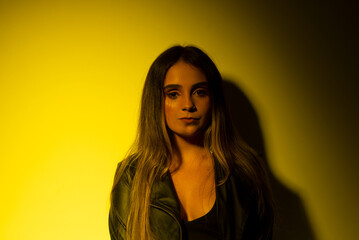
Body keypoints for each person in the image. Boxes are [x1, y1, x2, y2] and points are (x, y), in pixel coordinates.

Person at [109, 45, 275, 240]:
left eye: (199, 92)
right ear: (155, 101)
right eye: (173, 94)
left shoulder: (244, 172)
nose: (188, 105)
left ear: (213, 99)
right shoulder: (131, 177)